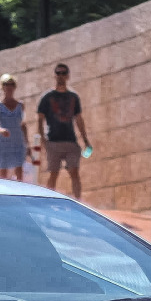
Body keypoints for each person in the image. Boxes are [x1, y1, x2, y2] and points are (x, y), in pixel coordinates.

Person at [37, 63, 91, 199]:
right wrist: (43, 141)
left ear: (67, 76)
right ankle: (48, 201)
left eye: (63, 73)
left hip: (70, 141)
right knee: (53, 173)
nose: (61, 76)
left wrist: (85, 140)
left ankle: (78, 201)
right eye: (58, 73)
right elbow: (40, 120)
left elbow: (78, 119)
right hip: (53, 141)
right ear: (55, 75)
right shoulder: (47, 97)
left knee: (74, 172)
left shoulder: (73, 97)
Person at [0, 74, 27, 181]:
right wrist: (1, 130)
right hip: (3, 141)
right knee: (3, 174)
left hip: (17, 140)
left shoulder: (20, 105)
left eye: (11, 84)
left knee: (19, 172)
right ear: (2, 86)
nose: (9, 87)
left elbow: (23, 124)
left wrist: (27, 143)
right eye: (6, 84)